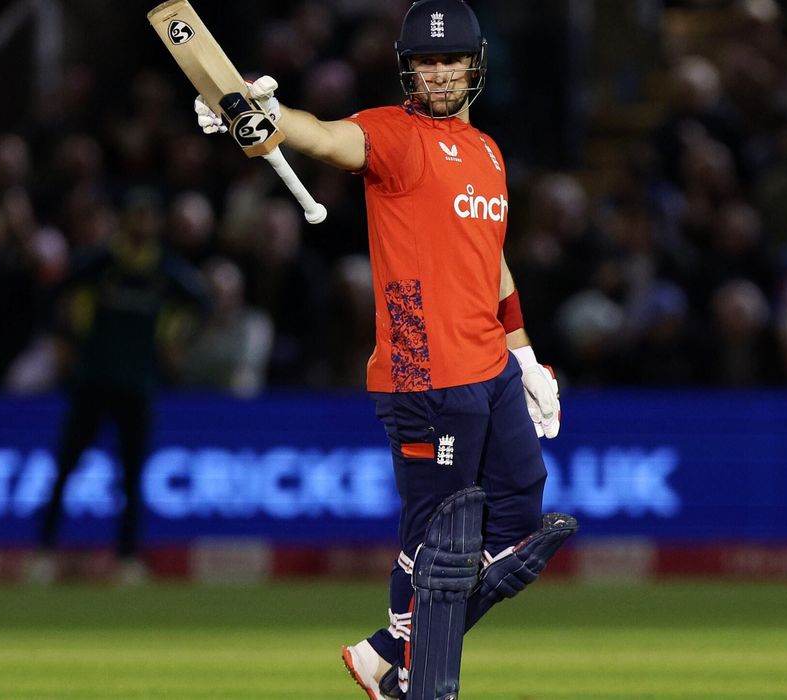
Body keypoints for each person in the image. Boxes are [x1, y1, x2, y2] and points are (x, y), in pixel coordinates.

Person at [195, 2, 577, 697]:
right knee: (437, 540)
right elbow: (324, 136)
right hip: (422, 370)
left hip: (489, 364)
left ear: (473, 66)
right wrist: (264, 118)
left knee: (520, 524)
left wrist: (523, 354)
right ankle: (408, 666)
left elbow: (491, 262)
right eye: (425, 62)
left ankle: (384, 654)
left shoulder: (488, 153)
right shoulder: (393, 135)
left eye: (449, 60)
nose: (437, 73)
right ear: (409, 69)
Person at [29, 188, 208, 584]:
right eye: (136, 215)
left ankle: (127, 559)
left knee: (130, 477)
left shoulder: (165, 270)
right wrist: (66, 338)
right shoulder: (101, 263)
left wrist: (175, 338)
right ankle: (43, 553)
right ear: (125, 220)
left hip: (138, 385)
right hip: (93, 380)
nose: (142, 224)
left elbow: (201, 302)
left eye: (149, 217)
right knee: (65, 468)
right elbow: (55, 292)